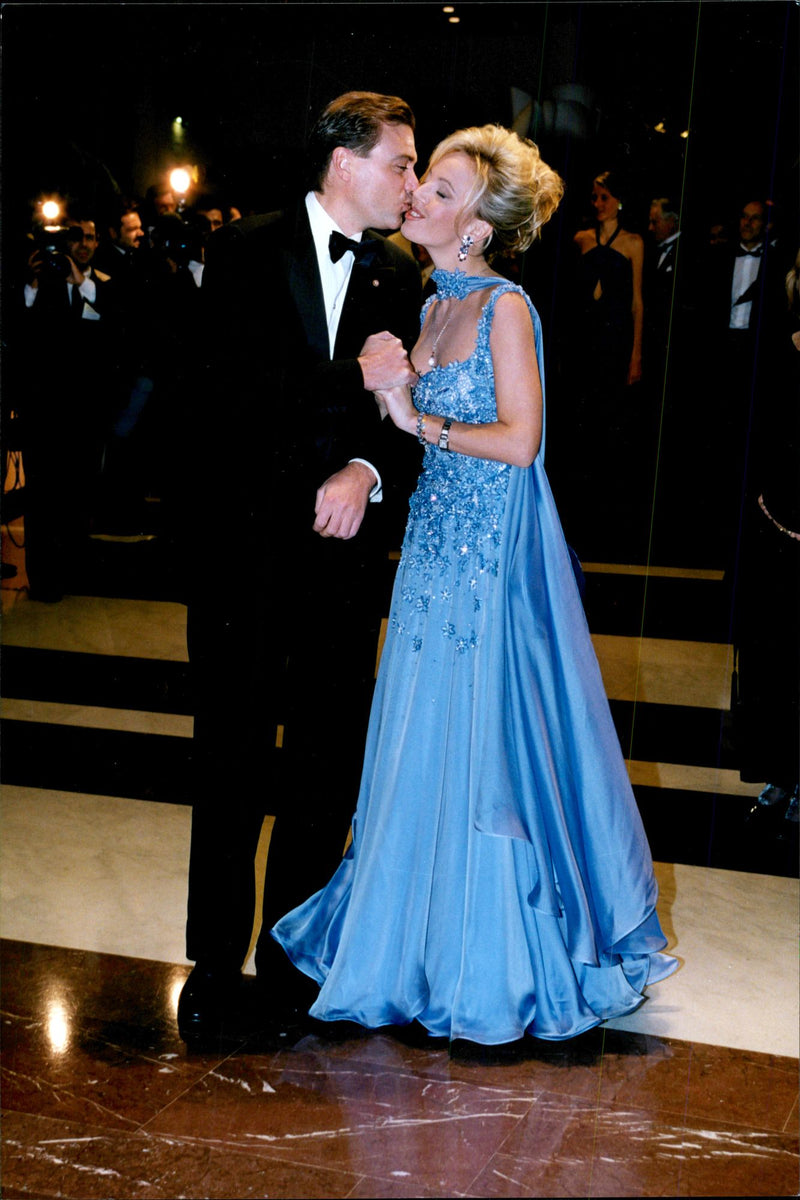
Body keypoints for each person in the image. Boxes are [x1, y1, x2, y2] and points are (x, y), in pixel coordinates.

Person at [272, 125, 678, 1047]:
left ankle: (490, 959)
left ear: (480, 226)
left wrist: (419, 422)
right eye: (422, 182)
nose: (417, 196)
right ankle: (412, 948)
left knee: (485, 741)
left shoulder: (503, 307)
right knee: (421, 730)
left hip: (490, 553)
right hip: (427, 550)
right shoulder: (429, 303)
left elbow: (523, 443)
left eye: (441, 189)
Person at [176, 91, 422, 1044]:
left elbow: (409, 426)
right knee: (230, 768)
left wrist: (364, 469)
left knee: (324, 771)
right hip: (242, 558)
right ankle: (210, 972)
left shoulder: (401, 272)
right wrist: (345, 382)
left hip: (342, 565)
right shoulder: (244, 253)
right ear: (343, 161)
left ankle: (290, 967)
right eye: (399, 163)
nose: (408, 182)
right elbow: (217, 406)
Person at [558, 170, 646, 556]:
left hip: (615, 340)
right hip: (585, 340)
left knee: (612, 419)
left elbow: (637, 302)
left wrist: (636, 353)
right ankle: (580, 502)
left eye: (604, 197)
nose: (597, 204)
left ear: (619, 200)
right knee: (581, 419)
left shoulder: (634, 243)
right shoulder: (580, 239)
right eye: (594, 197)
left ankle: (609, 504)